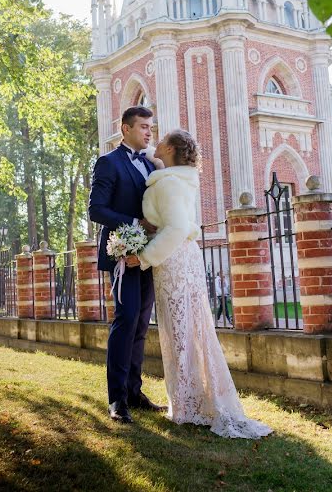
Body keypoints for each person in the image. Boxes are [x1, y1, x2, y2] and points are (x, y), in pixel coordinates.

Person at [126, 129, 272, 439]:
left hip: (174, 261)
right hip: (184, 258)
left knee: (179, 330)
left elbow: (177, 227)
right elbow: (179, 222)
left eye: (162, 140)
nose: (156, 142)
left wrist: (144, 257)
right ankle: (192, 400)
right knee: (191, 328)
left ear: (170, 149)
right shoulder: (180, 179)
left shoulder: (167, 183)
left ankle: (188, 405)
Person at [89, 105, 163, 424]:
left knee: (142, 324)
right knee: (126, 319)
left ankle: (135, 391)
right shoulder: (108, 163)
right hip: (122, 254)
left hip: (148, 255)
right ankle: (117, 399)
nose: (149, 132)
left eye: (151, 127)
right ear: (125, 129)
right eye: (144, 127)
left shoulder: (150, 164)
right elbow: (97, 210)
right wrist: (135, 223)